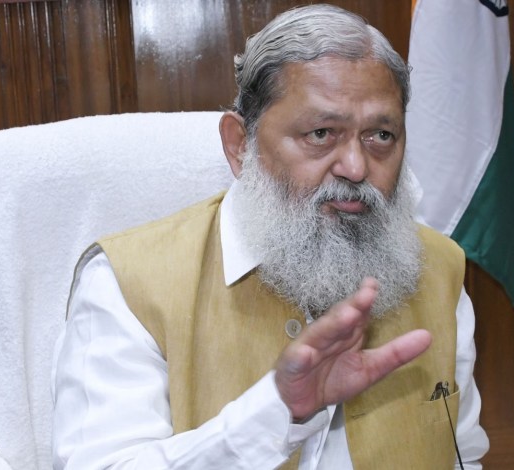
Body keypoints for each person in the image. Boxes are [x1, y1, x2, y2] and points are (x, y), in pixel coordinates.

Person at [51, 4, 489, 469]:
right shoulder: (130, 283)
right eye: (321, 133)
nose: (356, 167)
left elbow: (464, 456)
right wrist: (277, 412)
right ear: (240, 144)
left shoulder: (437, 267)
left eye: (381, 136)